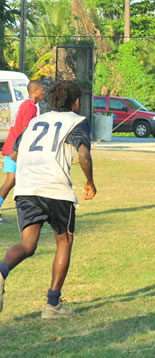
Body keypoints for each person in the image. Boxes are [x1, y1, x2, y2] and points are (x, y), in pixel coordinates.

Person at [0, 81, 95, 319]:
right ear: (75, 102)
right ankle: (53, 305)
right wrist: (90, 182)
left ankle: (1, 271)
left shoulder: (34, 122)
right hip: (55, 189)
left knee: (27, 245)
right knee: (64, 242)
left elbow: (14, 153)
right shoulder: (76, 121)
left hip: (26, 187)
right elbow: (83, 153)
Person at [0, 81, 45, 224]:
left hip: (11, 147)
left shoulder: (25, 104)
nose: (44, 92)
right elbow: (27, 128)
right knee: (12, 181)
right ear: (36, 91)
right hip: (16, 150)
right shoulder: (31, 107)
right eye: (42, 90)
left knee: (15, 180)